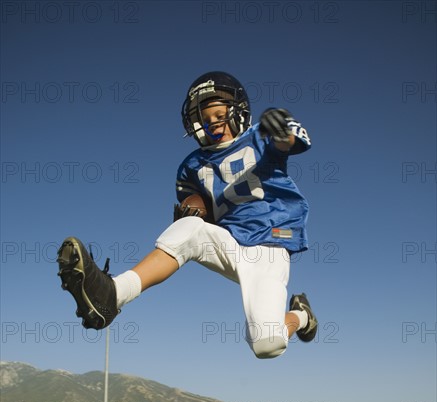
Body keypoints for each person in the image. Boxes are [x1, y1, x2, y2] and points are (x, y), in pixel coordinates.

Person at [57, 71, 317, 359]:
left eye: (220, 114)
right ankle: (113, 294)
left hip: (269, 243)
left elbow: (293, 142)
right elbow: (198, 212)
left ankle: (301, 315)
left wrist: (281, 131)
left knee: (267, 345)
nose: (213, 124)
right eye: (205, 119)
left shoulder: (259, 135)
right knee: (190, 226)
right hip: (230, 244)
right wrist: (195, 215)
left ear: (238, 111)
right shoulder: (191, 165)